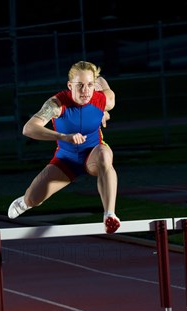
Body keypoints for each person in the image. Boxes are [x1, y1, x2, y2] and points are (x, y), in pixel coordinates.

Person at [8, 60, 121, 234]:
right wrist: (64, 137)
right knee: (33, 199)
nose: (85, 91)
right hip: (66, 160)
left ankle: (109, 215)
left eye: (90, 85)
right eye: (80, 85)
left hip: (93, 155)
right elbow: (28, 129)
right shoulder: (57, 104)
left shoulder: (103, 99)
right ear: (70, 85)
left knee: (105, 155)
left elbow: (105, 90)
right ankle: (24, 202)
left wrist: (103, 114)